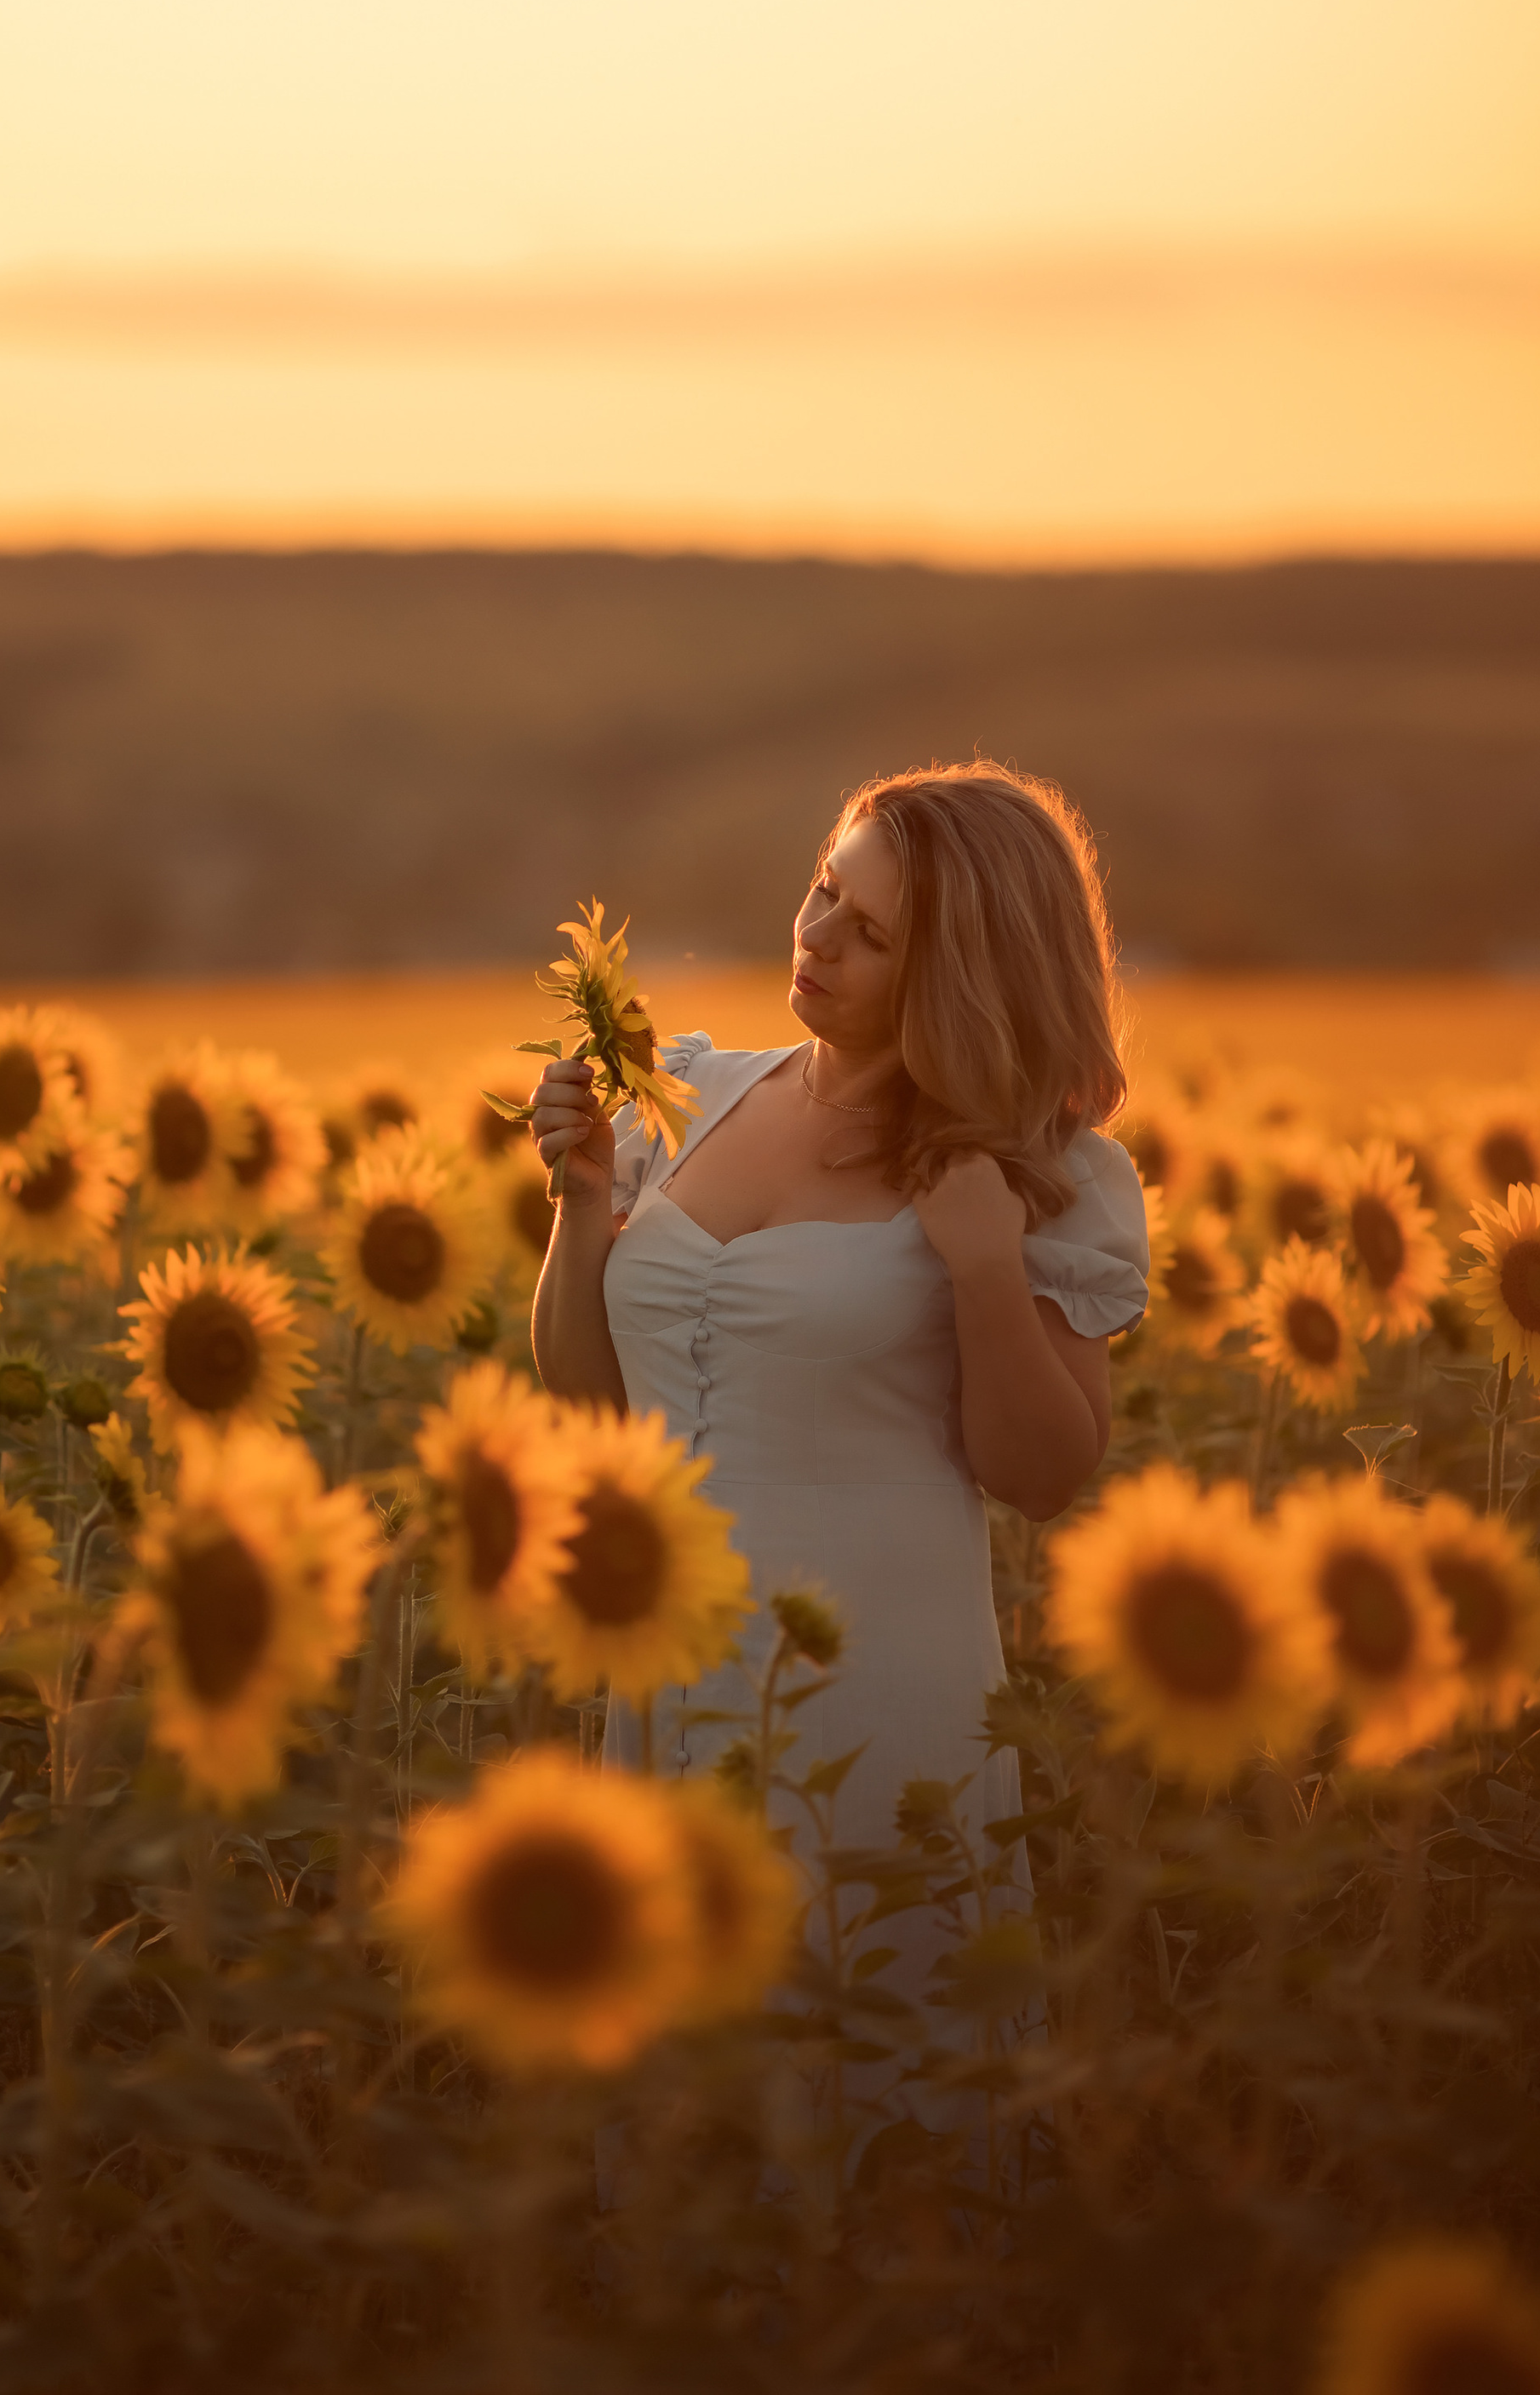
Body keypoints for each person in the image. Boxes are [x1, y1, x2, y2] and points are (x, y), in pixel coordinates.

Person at [528, 759, 1148, 2090]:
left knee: (863, 2086)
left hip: (867, 1706)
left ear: (961, 976)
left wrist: (984, 1266)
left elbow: (1045, 1476)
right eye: (824, 892)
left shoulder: (1040, 1174)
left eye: (872, 934)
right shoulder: (693, 1099)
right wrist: (581, 1210)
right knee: (685, 2116)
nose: (815, 939)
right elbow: (593, 1411)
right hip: (669, 1673)